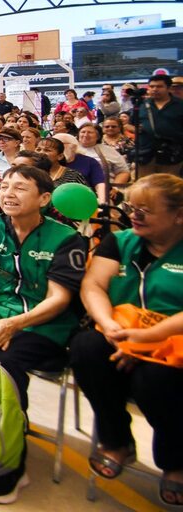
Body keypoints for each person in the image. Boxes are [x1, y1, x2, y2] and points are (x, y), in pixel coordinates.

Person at [0, 165, 87, 503]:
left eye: (20, 188)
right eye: (5, 186)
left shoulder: (66, 238)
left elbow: (60, 298)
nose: (8, 193)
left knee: (4, 360)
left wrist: (16, 324)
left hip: (42, 325)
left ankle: (8, 459)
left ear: (45, 198)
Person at [71, 174, 183, 506]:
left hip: (172, 342)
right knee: (87, 348)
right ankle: (116, 440)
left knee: (155, 378)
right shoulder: (119, 242)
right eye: (132, 207)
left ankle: (175, 460)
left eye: (146, 210)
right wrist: (110, 327)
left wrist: (148, 337)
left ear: (178, 214)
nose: (135, 215)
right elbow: (93, 286)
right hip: (121, 330)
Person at [135, 75, 182, 177]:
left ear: (169, 88)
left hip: (172, 155)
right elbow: (130, 125)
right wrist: (138, 128)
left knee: (168, 187)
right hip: (146, 155)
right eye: (151, 86)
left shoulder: (180, 106)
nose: (154, 89)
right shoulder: (141, 105)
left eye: (159, 86)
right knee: (145, 187)